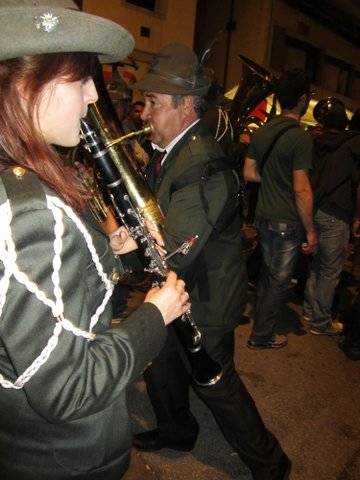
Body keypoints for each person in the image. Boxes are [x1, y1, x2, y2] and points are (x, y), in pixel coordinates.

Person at [0, 2, 190, 479]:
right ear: (26, 84)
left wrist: (109, 251)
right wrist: (155, 315)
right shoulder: (30, 212)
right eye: (80, 80)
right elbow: (68, 388)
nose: (92, 98)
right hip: (63, 458)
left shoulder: (17, 184)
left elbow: (37, 294)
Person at [130, 43, 291, 480]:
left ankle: (270, 463)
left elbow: (179, 246)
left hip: (209, 297)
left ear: (185, 107)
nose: (144, 113)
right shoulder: (175, 151)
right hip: (180, 288)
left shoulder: (203, 163)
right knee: (161, 360)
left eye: (154, 103)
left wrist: (128, 245)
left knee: (216, 382)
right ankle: (177, 431)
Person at [244, 68, 317, 349]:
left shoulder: (264, 131)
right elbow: (301, 188)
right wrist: (311, 231)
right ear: (301, 100)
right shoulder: (300, 137)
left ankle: (260, 326)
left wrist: (273, 179)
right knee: (280, 281)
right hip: (287, 221)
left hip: (263, 216)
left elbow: (249, 173)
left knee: (268, 273)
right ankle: (261, 335)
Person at [303, 98, 360, 335]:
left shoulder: (324, 141)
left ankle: (309, 310)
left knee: (318, 266)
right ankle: (320, 321)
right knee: (330, 271)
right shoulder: (355, 144)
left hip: (317, 208)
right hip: (337, 213)